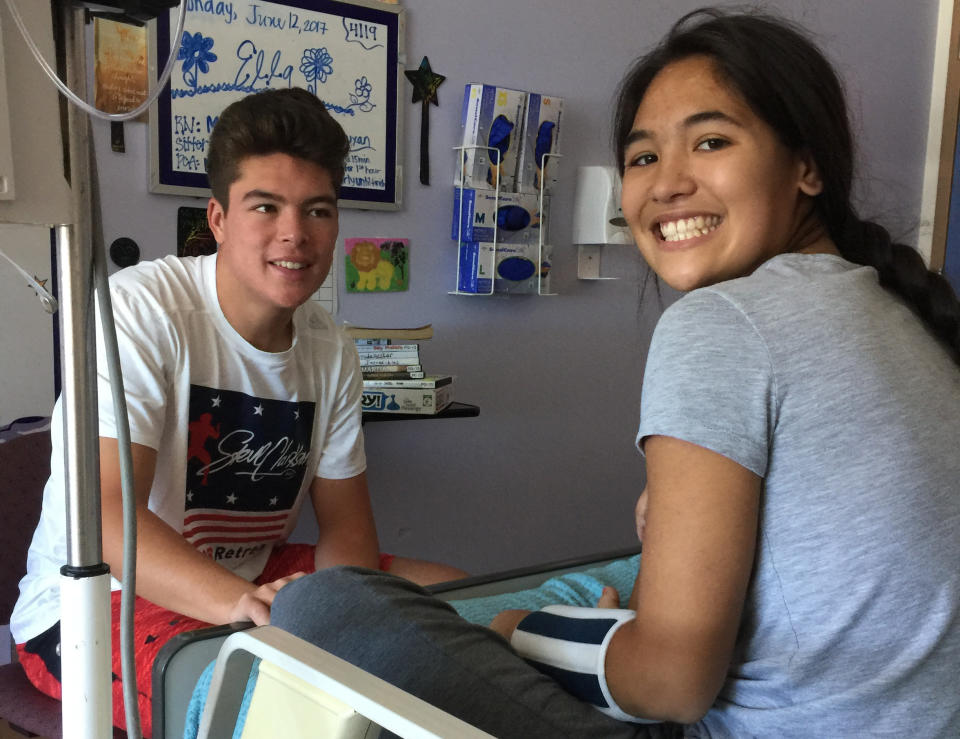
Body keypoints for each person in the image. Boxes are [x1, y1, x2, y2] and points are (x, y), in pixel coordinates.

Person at [267, 9, 960, 739]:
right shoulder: (901, 312)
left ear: (806, 165)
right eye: (642, 157)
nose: (667, 184)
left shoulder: (723, 323)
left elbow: (671, 679)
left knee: (322, 607)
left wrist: (518, 632)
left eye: (712, 141)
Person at [10, 87, 466, 736]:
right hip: (98, 600)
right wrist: (250, 607)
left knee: (467, 601)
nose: (294, 234)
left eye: (317, 210)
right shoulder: (141, 310)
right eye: (266, 207)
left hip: (252, 582)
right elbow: (108, 520)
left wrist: (345, 619)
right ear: (219, 219)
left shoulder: (330, 346)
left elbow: (347, 535)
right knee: (274, 702)